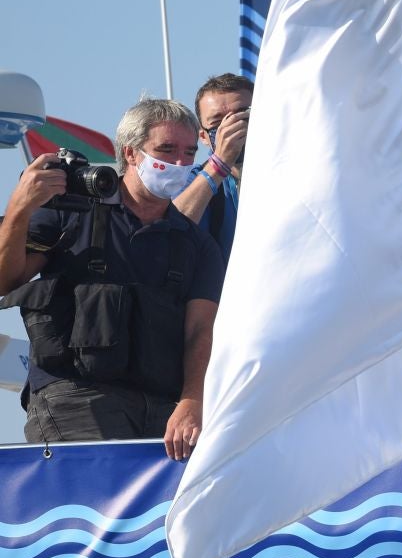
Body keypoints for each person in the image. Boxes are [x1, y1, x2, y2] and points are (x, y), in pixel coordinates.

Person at [0, 98, 223, 459]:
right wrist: (20, 208)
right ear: (130, 153)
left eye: (188, 152)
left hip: (164, 410)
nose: (180, 163)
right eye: (166, 149)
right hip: (75, 395)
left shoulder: (197, 245)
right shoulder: (66, 210)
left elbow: (201, 331)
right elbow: (4, 281)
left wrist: (192, 401)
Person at [174, 74, 251, 264]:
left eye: (242, 115)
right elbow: (171, 232)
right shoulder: (192, 180)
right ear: (203, 136)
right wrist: (220, 164)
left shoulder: (295, 171)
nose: (232, 128)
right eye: (218, 122)